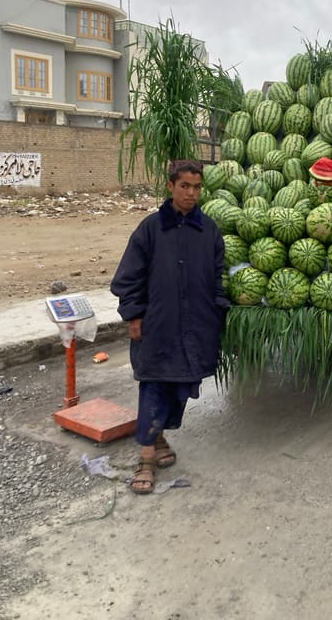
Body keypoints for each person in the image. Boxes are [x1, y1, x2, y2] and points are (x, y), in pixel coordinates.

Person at [111, 159, 229, 494]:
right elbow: (128, 277)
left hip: (196, 325)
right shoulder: (150, 229)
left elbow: (217, 280)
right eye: (184, 187)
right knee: (153, 387)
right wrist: (134, 315)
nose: (191, 193)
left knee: (180, 389)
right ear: (170, 187)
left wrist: (219, 315)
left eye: (197, 187)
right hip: (158, 325)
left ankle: (159, 437)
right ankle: (145, 460)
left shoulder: (209, 230)